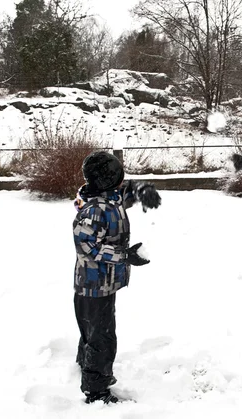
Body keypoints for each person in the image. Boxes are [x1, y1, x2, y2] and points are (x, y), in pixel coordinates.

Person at [73, 151, 161, 404]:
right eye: (119, 177)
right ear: (109, 180)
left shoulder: (106, 196)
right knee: (103, 339)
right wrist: (125, 255)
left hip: (101, 283)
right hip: (93, 284)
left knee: (94, 330)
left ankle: (85, 363)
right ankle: (96, 391)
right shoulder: (93, 210)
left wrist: (144, 189)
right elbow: (87, 247)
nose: (123, 182)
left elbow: (124, 193)